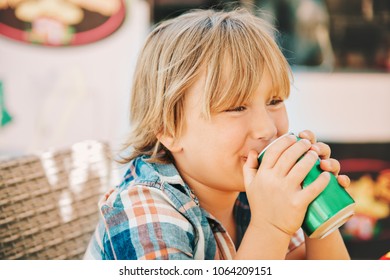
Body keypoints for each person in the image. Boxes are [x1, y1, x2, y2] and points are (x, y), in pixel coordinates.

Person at [84, 8, 351, 260]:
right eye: (236, 107)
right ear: (169, 129)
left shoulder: (260, 191)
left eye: (275, 101)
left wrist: (318, 214)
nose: (267, 129)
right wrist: (271, 226)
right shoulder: (142, 209)